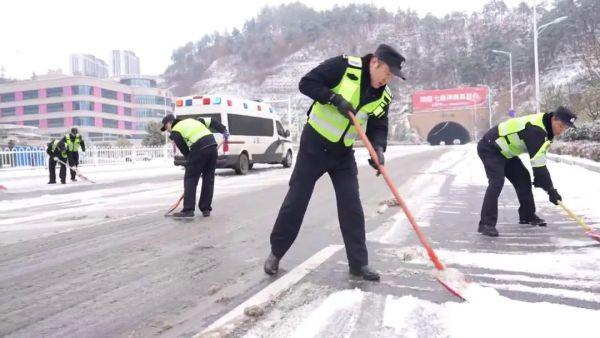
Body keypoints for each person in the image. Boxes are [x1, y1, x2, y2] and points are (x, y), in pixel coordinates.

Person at [263, 44, 406, 281]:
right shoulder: (344, 67)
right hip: (314, 146)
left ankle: (359, 264)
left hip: (343, 153)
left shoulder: (384, 95)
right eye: (387, 73)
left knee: (351, 206)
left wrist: (378, 149)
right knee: (296, 201)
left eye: (392, 76)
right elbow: (306, 83)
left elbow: (379, 126)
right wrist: (333, 98)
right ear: (375, 63)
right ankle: (276, 253)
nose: (388, 79)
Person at [477, 106, 577, 237]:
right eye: (561, 125)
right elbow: (539, 166)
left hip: (506, 152)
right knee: (496, 182)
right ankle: (486, 224)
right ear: (553, 119)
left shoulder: (545, 127)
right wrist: (551, 190)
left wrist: (545, 184)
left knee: (523, 178)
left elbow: (539, 164)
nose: (562, 130)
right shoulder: (537, 131)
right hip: (490, 147)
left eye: (566, 127)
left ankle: (527, 215)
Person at [161, 114, 229, 218]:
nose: (168, 131)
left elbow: (185, 150)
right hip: (212, 146)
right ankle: (206, 209)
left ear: (170, 123)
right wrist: (224, 130)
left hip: (199, 148)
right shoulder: (193, 121)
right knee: (208, 179)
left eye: (166, 128)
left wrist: (192, 164)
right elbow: (211, 121)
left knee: (190, 179)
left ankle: (188, 210)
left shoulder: (176, 131)